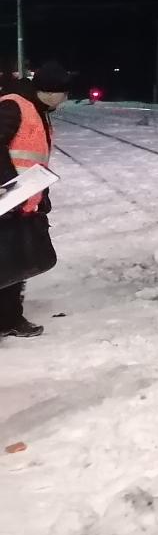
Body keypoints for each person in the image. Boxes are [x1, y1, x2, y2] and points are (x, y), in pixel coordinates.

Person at [0, 61, 69, 338]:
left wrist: (41, 194)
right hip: (7, 198)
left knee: (13, 261)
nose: (64, 99)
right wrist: (7, 183)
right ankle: (8, 320)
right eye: (63, 93)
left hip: (23, 198)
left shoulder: (37, 109)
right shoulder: (14, 105)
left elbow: (34, 159)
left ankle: (7, 319)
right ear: (49, 91)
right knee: (8, 260)